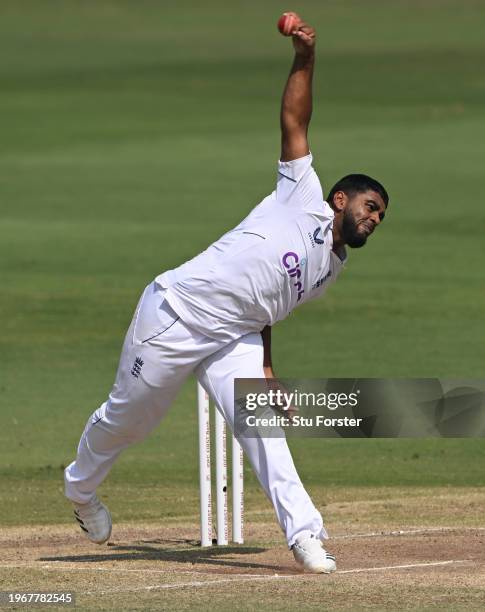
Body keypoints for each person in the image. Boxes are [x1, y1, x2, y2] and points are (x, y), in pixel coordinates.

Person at [64, 16, 388, 574]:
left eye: (381, 216)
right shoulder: (302, 193)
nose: (375, 219)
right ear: (340, 199)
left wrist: (264, 366)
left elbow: (266, 306)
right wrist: (305, 57)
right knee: (130, 421)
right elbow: (294, 117)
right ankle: (79, 491)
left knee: (263, 425)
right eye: (370, 207)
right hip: (177, 312)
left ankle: (306, 537)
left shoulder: (332, 269)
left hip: (232, 336)